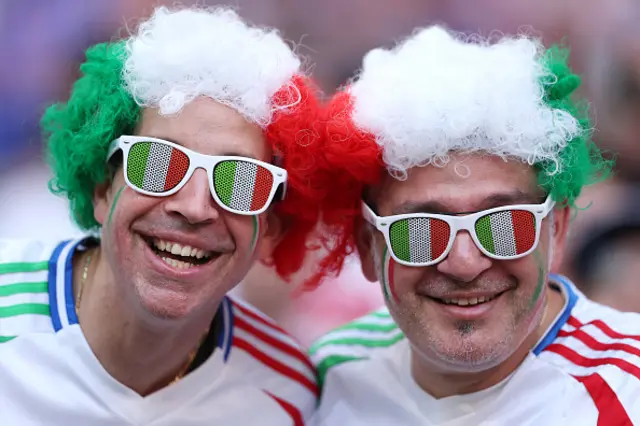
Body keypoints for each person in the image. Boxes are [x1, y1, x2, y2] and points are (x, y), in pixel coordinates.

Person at [0, 6, 323, 425]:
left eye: (240, 181)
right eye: (157, 163)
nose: (193, 207)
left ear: (271, 230)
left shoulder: (288, 393)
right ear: (102, 186)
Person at [310, 26, 640, 425]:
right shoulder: (330, 371)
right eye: (421, 230)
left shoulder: (629, 386)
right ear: (367, 246)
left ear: (556, 229)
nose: (465, 264)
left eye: (503, 224)